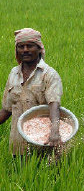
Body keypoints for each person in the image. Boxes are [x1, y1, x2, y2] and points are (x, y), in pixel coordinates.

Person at [0, 28, 63, 157]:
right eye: (21, 46)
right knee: (20, 176)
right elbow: (7, 109)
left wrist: (55, 132)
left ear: (39, 48)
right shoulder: (13, 74)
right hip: (18, 145)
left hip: (44, 142)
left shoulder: (49, 74)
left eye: (30, 46)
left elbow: (54, 105)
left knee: (46, 175)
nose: (25, 50)